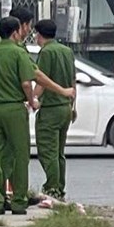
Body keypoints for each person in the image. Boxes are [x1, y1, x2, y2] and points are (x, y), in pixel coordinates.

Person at [0, 18, 75, 215]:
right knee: (20, 154)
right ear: (16, 32)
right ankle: (18, 200)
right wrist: (32, 100)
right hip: (15, 109)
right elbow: (28, 81)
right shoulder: (18, 52)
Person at [33, 19, 76, 201]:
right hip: (65, 106)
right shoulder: (66, 51)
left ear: (39, 35)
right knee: (59, 152)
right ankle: (60, 187)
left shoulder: (46, 52)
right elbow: (73, 81)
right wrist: (74, 105)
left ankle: (52, 188)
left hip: (50, 108)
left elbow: (42, 80)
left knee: (48, 151)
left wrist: (32, 99)